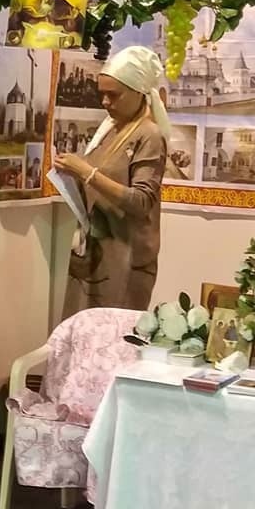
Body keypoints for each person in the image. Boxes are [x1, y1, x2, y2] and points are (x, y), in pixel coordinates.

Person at [54, 45, 169, 314]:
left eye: (113, 95)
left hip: (126, 260)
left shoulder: (149, 135)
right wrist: (71, 176)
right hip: (94, 253)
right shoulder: (110, 130)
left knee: (110, 333)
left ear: (138, 92)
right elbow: (97, 185)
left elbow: (141, 202)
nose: (105, 102)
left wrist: (86, 173)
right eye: (102, 94)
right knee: (82, 329)